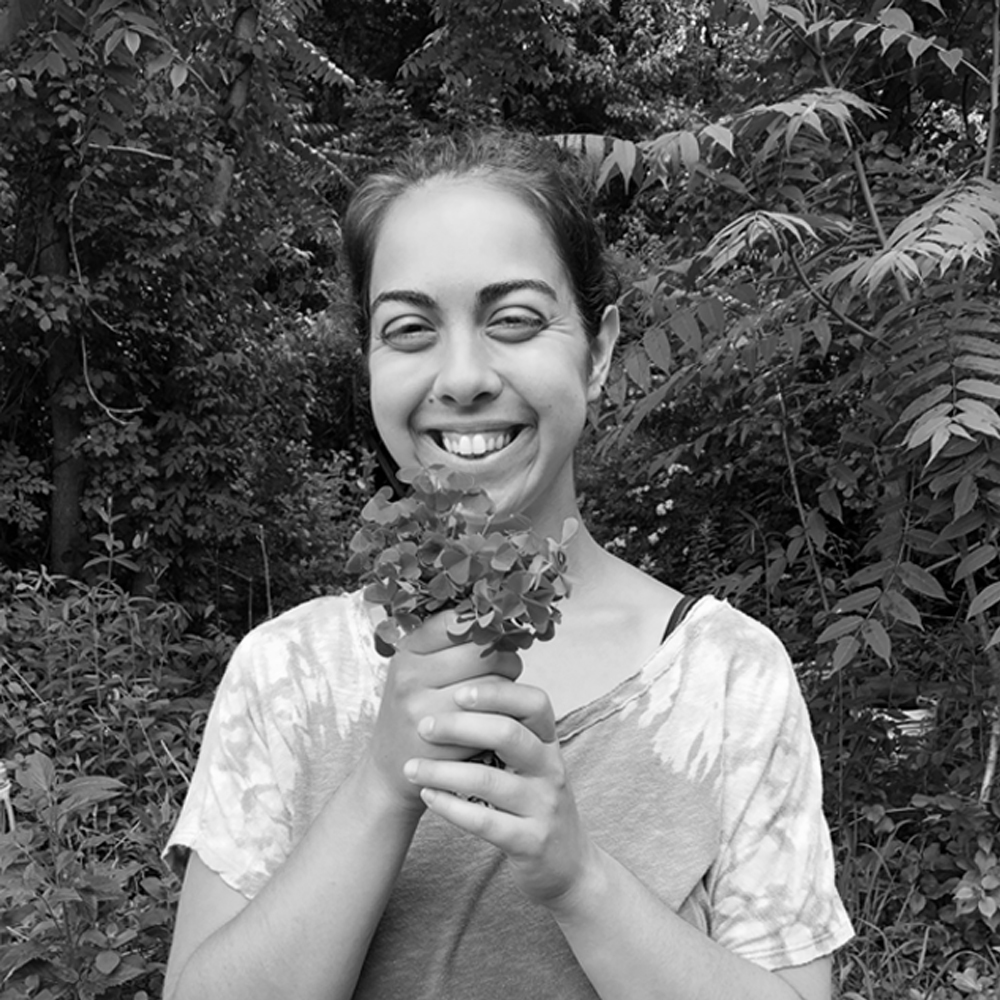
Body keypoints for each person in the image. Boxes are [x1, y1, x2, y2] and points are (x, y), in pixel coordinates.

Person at [161, 130, 854, 1000]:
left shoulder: (726, 679)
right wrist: (381, 786)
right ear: (369, 363)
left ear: (598, 352)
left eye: (515, 320)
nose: (462, 377)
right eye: (409, 330)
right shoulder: (287, 673)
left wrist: (579, 879)